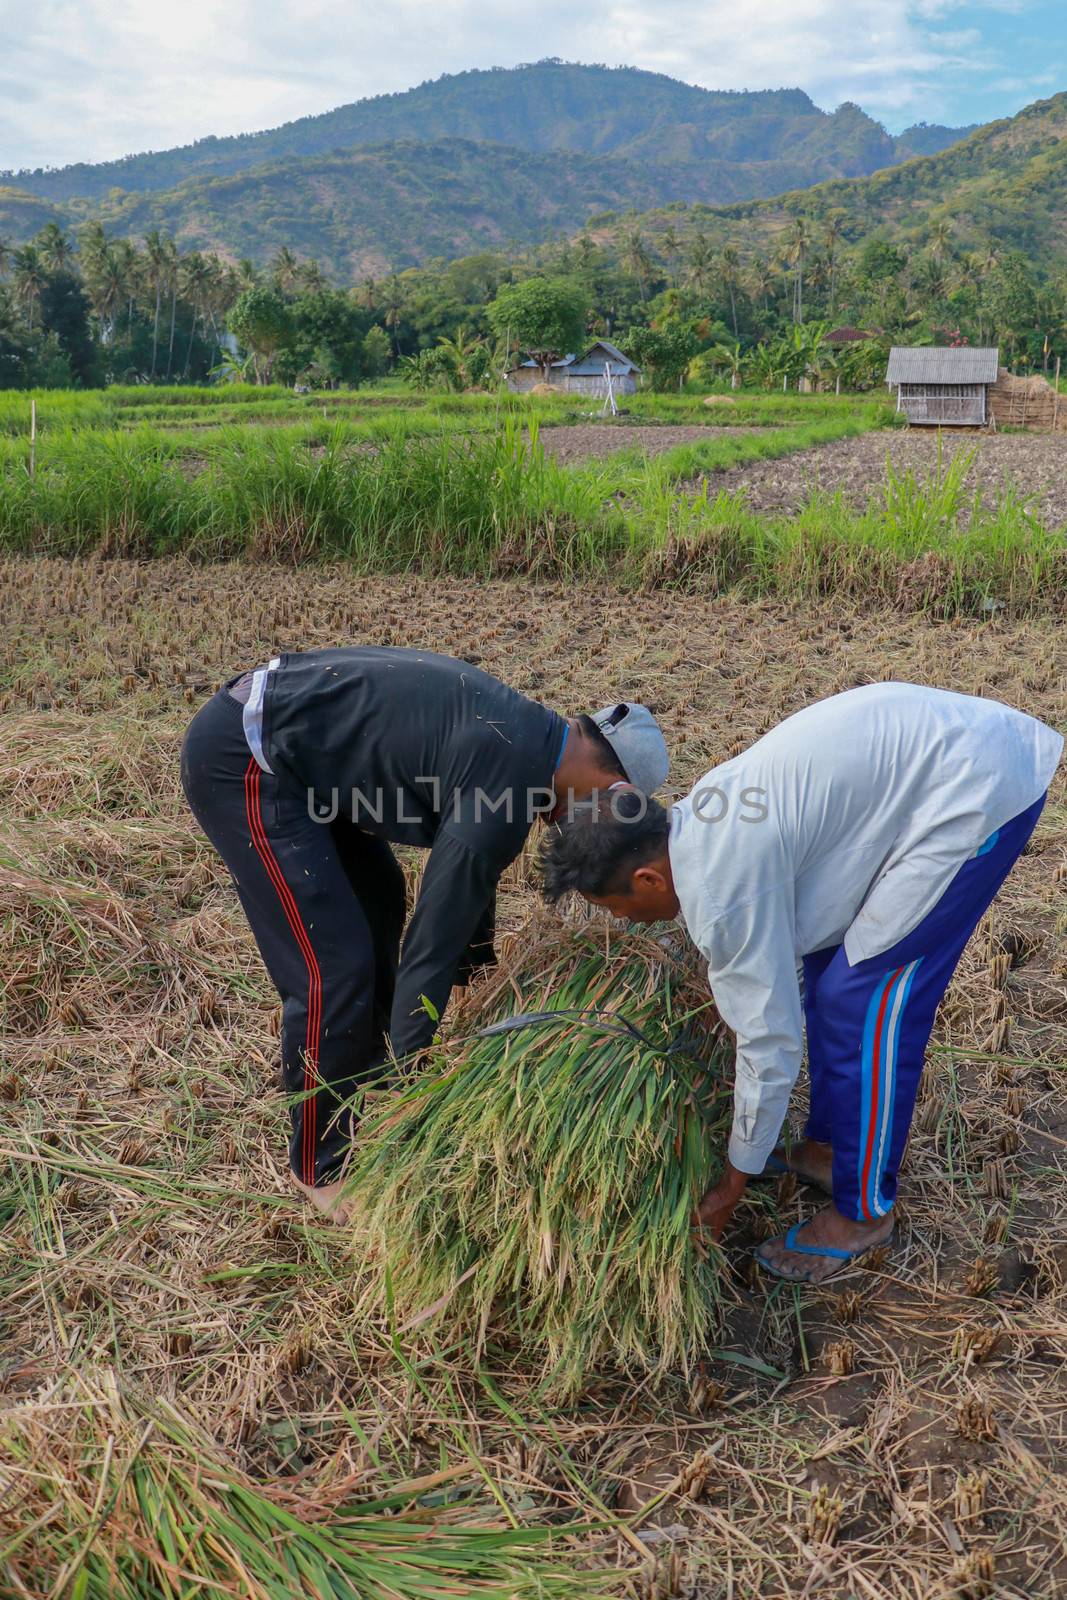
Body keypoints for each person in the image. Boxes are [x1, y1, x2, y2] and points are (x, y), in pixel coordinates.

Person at [540, 682, 1062, 1284]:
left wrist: (734, 1181)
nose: (623, 922)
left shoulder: (721, 890)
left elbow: (770, 1041)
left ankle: (864, 1215)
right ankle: (831, 1151)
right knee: (825, 969)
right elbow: (777, 966)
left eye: (615, 908)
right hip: (929, 760)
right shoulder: (698, 821)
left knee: (864, 1000)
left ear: (651, 880)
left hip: (975, 786)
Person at [181, 646, 668, 1219]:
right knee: (332, 966)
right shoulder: (508, 783)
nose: (591, 829)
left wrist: (471, 966)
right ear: (611, 786)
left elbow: (467, 882)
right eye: (612, 812)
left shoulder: (530, 743)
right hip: (248, 759)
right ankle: (320, 1163)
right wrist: (419, 1091)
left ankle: (368, 1080)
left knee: (381, 902)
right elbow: (429, 951)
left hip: (306, 762)